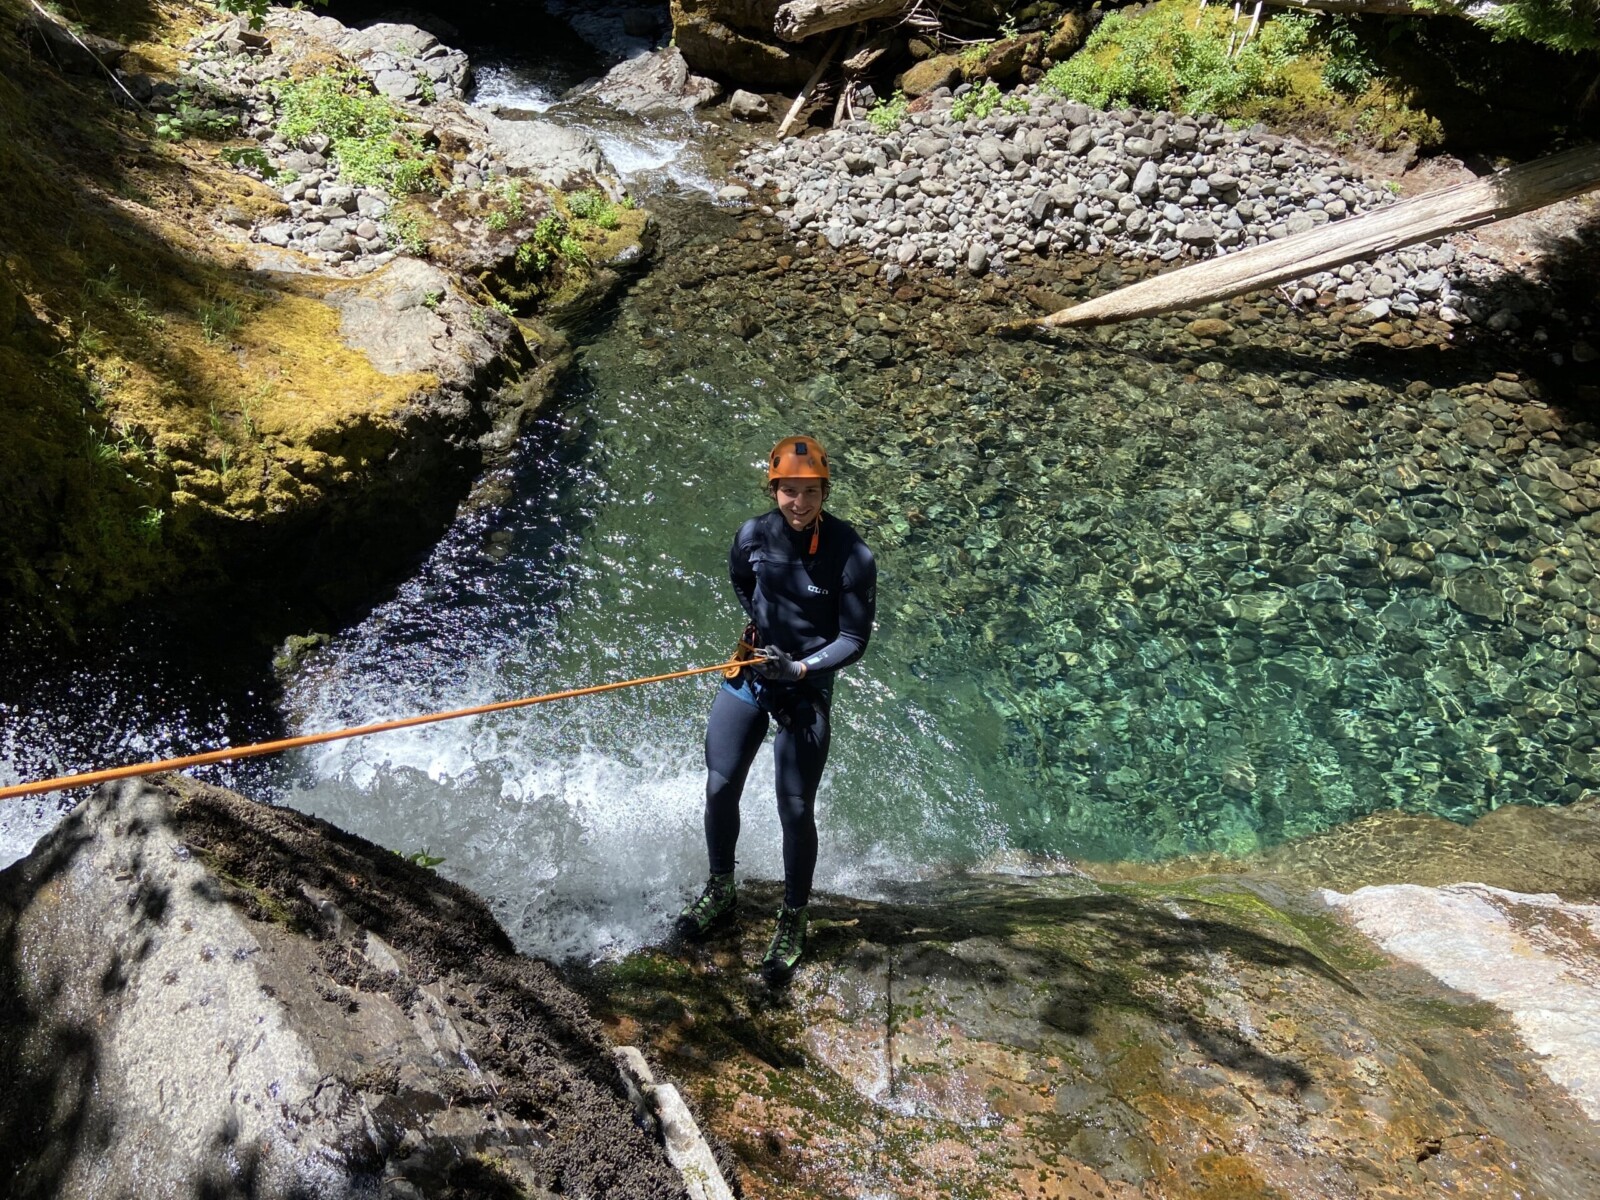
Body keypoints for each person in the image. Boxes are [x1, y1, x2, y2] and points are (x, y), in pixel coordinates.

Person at [676, 436, 877, 984]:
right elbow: (743, 581)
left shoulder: (851, 552)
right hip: (753, 670)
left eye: (809, 492)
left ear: (824, 491)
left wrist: (803, 669)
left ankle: (793, 917)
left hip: (804, 685)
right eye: (789, 491)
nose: (799, 502)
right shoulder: (752, 536)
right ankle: (721, 889)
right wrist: (762, 637)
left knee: (794, 806)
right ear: (775, 489)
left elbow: (854, 638)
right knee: (720, 784)